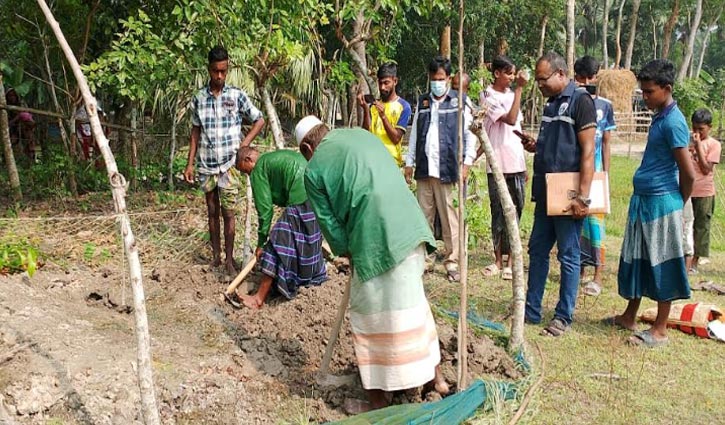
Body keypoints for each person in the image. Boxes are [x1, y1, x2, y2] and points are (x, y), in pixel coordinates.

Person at [297, 115, 449, 413]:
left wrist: (347, 252)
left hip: (374, 240)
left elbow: (331, 228)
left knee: (369, 319)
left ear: (306, 148)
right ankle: (436, 380)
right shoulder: (362, 135)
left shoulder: (313, 170)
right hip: (411, 228)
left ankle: (378, 399)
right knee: (414, 308)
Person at [610, 59, 695, 347]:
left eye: (648, 92)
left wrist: (676, 204)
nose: (644, 97)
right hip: (644, 201)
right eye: (642, 91)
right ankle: (629, 315)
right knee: (638, 258)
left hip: (662, 203)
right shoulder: (660, 115)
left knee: (663, 263)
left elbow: (689, 173)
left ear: (666, 89)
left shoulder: (674, 122)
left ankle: (659, 329)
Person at [516, 52, 597, 337]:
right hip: (546, 192)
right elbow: (559, 146)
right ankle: (532, 310)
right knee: (537, 250)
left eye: (542, 79)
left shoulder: (582, 102)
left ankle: (563, 316)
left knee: (569, 254)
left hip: (569, 195)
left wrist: (583, 197)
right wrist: (536, 145)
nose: (539, 85)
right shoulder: (551, 104)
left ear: (561, 74)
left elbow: (588, 152)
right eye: (537, 80)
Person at [184, 46, 265, 276]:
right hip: (207, 164)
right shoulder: (199, 98)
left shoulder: (236, 95)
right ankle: (216, 258)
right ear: (208, 69)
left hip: (230, 165)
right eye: (215, 71)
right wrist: (190, 163)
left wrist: (244, 144)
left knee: (229, 213)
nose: (219, 76)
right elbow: (195, 132)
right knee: (212, 211)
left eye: (223, 71)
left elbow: (259, 119)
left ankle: (230, 260)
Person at [404, 55, 477, 282]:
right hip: (426, 169)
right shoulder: (423, 102)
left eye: (441, 78)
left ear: (448, 79)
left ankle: (452, 259)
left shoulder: (459, 102)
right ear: (429, 78)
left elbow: (470, 135)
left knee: (450, 217)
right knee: (423, 215)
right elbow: (415, 133)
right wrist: (409, 162)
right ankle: (425, 257)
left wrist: (467, 163)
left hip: (448, 168)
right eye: (434, 78)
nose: (438, 82)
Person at [227, 147, 327, 309]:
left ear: (248, 160)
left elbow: (265, 211)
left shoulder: (259, 169)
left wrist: (261, 243)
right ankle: (308, 281)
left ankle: (258, 299)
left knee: (276, 243)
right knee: (307, 240)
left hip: (301, 195)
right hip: (317, 193)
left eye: (243, 170)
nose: (246, 175)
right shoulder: (271, 159)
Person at [477, 55, 529, 281]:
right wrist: (519, 90)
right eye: (508, 73)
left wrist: (525, 164)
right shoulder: (487, 95)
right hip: (497, 163)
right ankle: (497, 259)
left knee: (516, 210)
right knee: (498, 211)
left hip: (516, 161)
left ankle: (511, 261)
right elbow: (509, 119)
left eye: (513, 73)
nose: (512, 77)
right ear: (497, 73)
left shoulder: (512, 95)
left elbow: (517, 127)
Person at [573, 56, 616, 297]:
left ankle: (598, 274)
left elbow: (606, 142)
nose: (587, 81)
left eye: (590, 78)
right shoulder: (571, 101)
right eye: (582, 78)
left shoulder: (605, 106)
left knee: (595, 224)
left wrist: (604, 176)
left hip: (596, 168)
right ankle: (579, 270)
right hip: (574, 169)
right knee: (576, 221)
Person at [358, 62, 412, 166]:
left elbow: (396, 138)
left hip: (391, 163)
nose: (382, 87)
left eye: (386, 83)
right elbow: (366, 134)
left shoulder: (404, 107)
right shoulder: (373, 106)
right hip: (372, 161)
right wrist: (365, 108)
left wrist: (383, 116)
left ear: (395, 81)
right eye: (380, 83)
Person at [687, 108, 720, 273]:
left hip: (704, 192)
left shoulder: (714, 145)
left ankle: (695, 261)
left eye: (701, 129)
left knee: (701, 227)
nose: (697, 132)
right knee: (684, 225)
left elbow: (707, 169)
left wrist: (698, 147)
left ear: (710, 127)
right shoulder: (687, 140)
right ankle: (685, 257)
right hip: (686, 190)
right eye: (695, 128)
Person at [5, 87, 37, 161]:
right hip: (13, 129)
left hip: (24, 127)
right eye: (10, 96)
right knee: (12, 142)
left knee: (29, 140)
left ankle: (31, 158)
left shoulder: (21, 104)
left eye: (13, 95)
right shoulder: (6, 107)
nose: (12, 98)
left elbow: (26, 115)